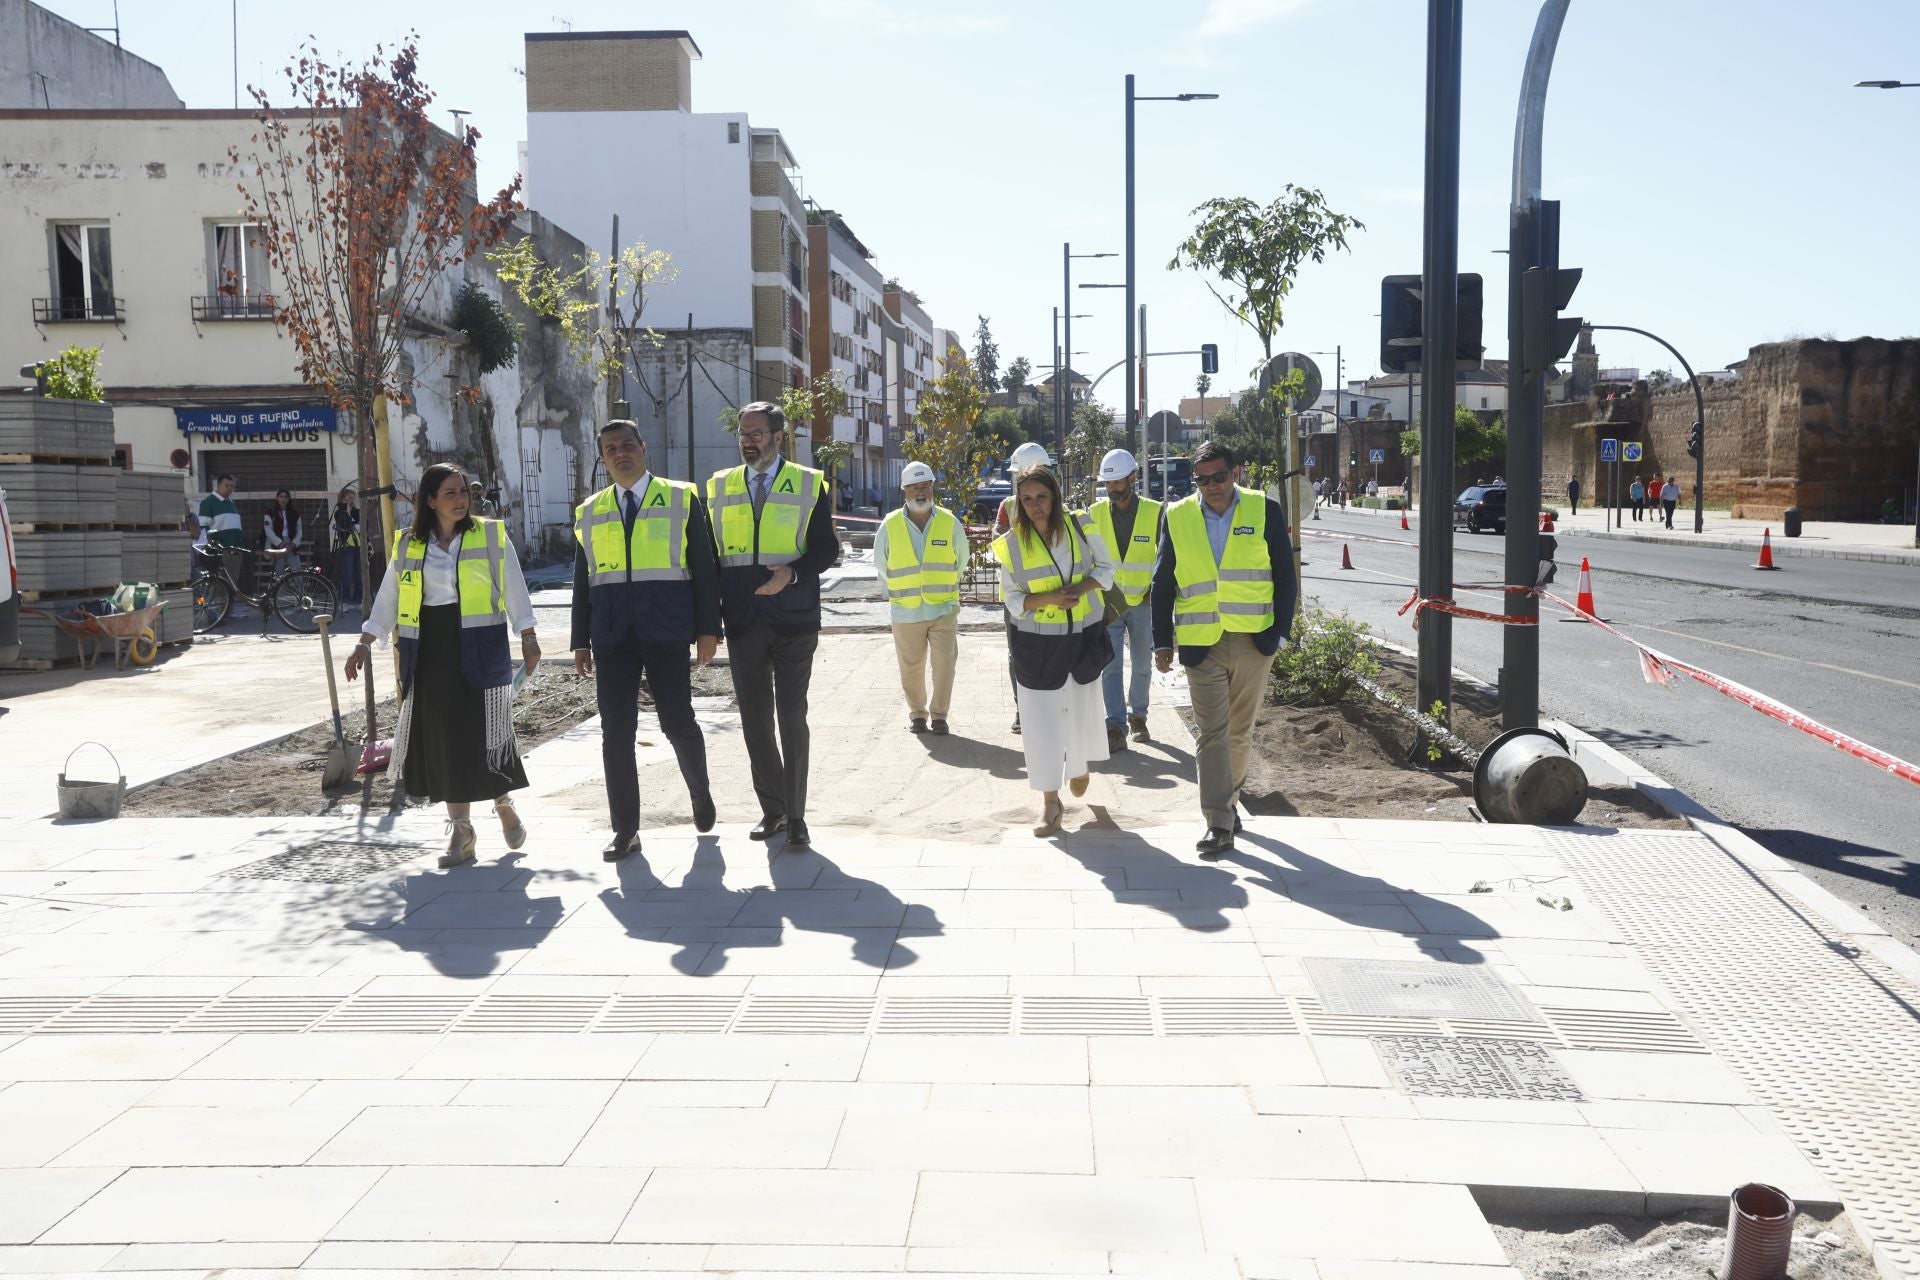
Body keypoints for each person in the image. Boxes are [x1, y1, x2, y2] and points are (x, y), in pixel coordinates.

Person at [346, 462, 539, 868]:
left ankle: (502, 802)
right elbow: (389, 598)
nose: (460, 500)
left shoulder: (489, 535)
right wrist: (365, 642)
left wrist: (527, 634)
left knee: (490, 732)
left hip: (481, 646)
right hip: (429, 652)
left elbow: (515, 586)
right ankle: (461, 833)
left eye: (463, 492)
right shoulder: (409, 545)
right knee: (446, 741)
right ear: (429, 500)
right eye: (449, 493)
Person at [572, 421, 720, 862]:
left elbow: (704, 568)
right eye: (611, 448)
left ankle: (700, 792)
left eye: (627, 445)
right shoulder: (590, 511)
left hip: (667, 630)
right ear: (602, 458)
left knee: (678, 724)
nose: (621, 453)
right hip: (613, 635)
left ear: (643, 449)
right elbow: (584, 578)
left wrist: (708, 630)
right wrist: (580, 638)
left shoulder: (680, 498)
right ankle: (626, 830)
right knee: (615, 733)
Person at [1152, 440, 1300, 858]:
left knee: (1239, 733)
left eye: (1218, 477)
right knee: (1212, 733)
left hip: (1254, 640)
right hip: (1202, 641)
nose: (1211, 486)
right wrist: (1162, 640)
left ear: (1235, 473)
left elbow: (1285, 578)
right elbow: (1163, 582)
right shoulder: (1177, 516)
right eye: (1201, 480)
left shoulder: (1263, 509)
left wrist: (1281, 635)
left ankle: (1229, 802)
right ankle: (1218, 820)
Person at [709, 401, 837, 850]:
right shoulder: (720, 487)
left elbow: (826, 550)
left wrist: (792, 573)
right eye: (743, 433)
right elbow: (711, 558)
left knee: (791, 714)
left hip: (794, 619)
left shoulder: (806, 484)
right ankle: (773, 810)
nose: (748, 441)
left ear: (779, 438)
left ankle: (797, 814)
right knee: (754, 721)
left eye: (757, 433)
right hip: (743, 619)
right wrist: (709, 621)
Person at [994, 463, 1114, 836]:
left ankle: (1078, 767)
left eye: (1041, 497)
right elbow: (1013, 600)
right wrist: (1047, 598)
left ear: (1055, 496)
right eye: (1026, 499)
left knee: (1080, 711)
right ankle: (1050, 803)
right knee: (1039, 724)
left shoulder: (1080, 526)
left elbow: (1108, 569)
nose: (1034, 506)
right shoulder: (1011, 544)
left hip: (1081, 639)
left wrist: (1080, 590)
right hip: (1035, 646)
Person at [875, 461, 963, 736]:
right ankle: (917, 714)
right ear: (905, 492)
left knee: (944, 665)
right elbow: (881, 565)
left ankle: (939, 715)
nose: (920, 492)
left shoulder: (949, 522)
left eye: (925, 486)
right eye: (914, 487)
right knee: (911, 667)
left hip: (942, 608)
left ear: (932, 488)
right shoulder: (889, 525)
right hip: (906, 610)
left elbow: (962, 560)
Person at [1085, 448, 1160, 754]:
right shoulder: (1095, 513)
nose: (1112, 489)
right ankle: (1115, 724)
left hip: (1143, 602)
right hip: (1110, 603)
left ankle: (1138, 716)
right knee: (1111, 665)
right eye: (1108, 484)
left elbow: (1166, 557)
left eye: (1117, 482)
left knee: (1142, 663)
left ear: (1133, 478)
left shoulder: (1155, 512)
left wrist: (1157, 589)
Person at [995, 441, 1054, 734]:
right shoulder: (1007, 507)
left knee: (1056, 651)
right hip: (1018, 596)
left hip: (1054, 593)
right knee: (1017, 654)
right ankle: (1023, 709)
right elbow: (999, 545)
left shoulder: (1058, 507)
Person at [331, 486, 363, 608]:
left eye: (353, 498)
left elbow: (365, 525)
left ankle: (358, 600)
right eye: (349, 498)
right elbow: (345, 524)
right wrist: (353, 521)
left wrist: (354, 522)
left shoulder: (356, 511)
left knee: (360, 575)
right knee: (347, 574)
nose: (351, 500)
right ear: (343, 498)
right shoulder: (339, 512)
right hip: (347, 546)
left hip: (359, 545)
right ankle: (344, 601)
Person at [197, 474, 245, 549]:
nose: (230, 488)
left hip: (236, 549)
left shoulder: (231, 503)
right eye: (227, 485)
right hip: (220, 551)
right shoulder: (208, 502)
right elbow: (203, 528)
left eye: (232, 486)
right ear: (218, 485)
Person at [263, 488, 304, 571]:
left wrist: (293, 544)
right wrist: (281, 544)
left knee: (297, 572)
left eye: (286, 497)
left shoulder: (295, 514)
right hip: (277, 545)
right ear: (277, 498)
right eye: (281, 496)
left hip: (291, 545)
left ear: (288, 499)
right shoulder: (270, 513)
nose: (283, 499)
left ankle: (299, 584)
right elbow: (268, 531)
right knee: (278, 573)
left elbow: (299, 532)